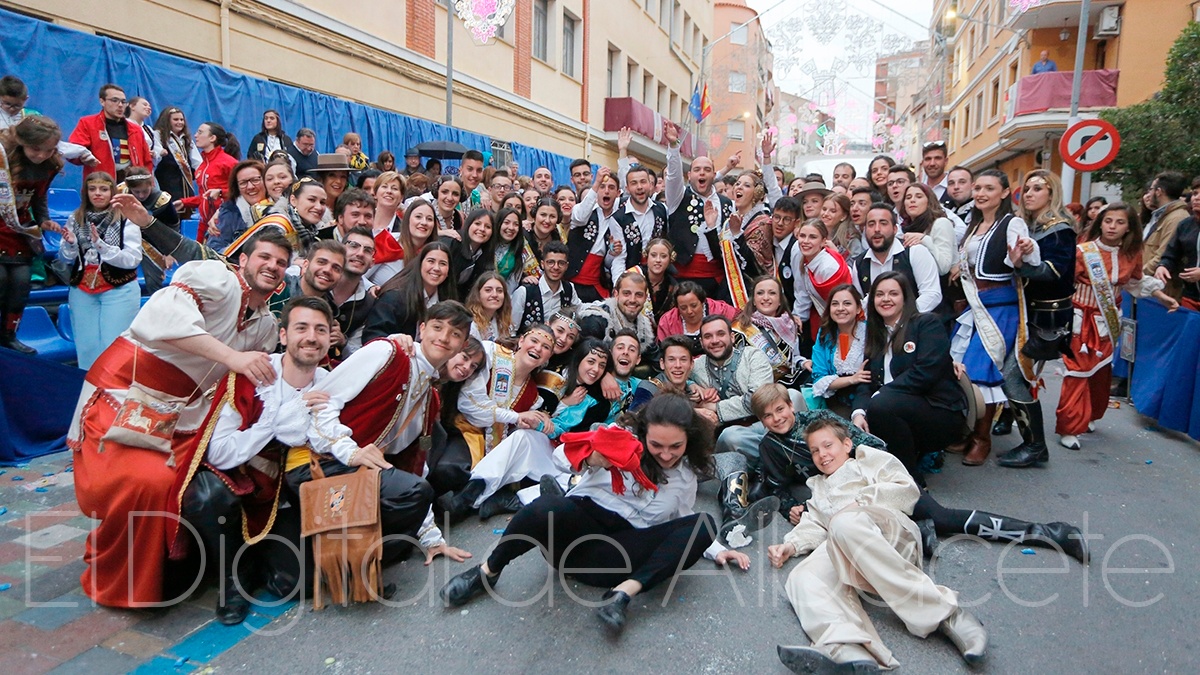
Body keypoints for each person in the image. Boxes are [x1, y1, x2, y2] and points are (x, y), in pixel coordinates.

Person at [70, 229, 289, 608]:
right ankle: (123, 579)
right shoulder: (215, 278)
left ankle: (171, 569)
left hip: (185, 414)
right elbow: (160, 322)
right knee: (145, 480)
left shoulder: (267, 325)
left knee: (186, 483)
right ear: (244, 261)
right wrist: (232, 357)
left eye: (280, 263)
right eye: (264, 257)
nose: (271, 266)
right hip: (128, 389)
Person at [440, 394, 751, 633]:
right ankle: (485, 573)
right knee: (548, 507)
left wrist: (718, 550)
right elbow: (560, 456)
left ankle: (621, 596)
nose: (666, 455)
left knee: (704, 524)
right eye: (657, 445)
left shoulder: (684, 476)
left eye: (676, 447)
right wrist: (591, 459)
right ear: (643, 434)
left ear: (688, 441)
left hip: (619, 558)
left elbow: (682, 520)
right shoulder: (618, 437)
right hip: (574, 538)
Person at [769, 417, 988, 672]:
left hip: (889, 534)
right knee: (801, 577)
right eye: (815, 450)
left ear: (847, 444)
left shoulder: (866, 460)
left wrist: (859, 503)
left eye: (828, 445)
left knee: (843, 524)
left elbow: (906, 489)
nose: (822, 454)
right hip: (849, 548)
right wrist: (791, 545)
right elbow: (816, 524)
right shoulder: (817, 487)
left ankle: (948, 615)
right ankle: (847, 645)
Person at [172, 296, 331, 624]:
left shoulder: (330, 384)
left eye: (320, 330)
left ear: (330, 338)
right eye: (301, 328)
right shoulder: (252, 374)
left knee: (296, 584)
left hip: (284, 498)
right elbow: (220, 452)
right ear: (284, 335)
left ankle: (260, 556)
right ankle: (233, 578)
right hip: (237, 483)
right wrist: (276, 421)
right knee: (207, 495)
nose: (311, 337)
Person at [300, 301, 473, 565]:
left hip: (364, 475)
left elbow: (414, 467)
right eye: (438, 327)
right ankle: (355, 562)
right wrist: (351, 452)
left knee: (413, 506)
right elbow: (322, 403)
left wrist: (431, 538)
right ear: (422, 328)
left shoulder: (430, 397)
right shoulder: (387, 352)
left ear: (461, 345)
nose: (444, 338)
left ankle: (360, 561)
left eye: (455, 334)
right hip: (323, 460)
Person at [1059, 204, 1177, 449]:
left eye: (1119, 222)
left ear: (1129, 228)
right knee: (1078, 370)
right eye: (1108, 220)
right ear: (1099, 223)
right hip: (1081, 318)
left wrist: (1161, 296)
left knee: (1100, 369)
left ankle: (1089, 413)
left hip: (1110, 318)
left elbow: (1136, 282)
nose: (1112, 226)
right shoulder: (1082, 252)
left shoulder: (1131, 254)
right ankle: (1070, 426)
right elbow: (1062, 281)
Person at [950, 170, 1041, 466]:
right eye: (977, 188)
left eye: (989, 188)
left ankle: (982, 438)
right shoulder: (973, 223)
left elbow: (1027, 257)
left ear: (1004, 193)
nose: (980, 193)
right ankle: (967, 430)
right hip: (974, 306)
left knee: (981, 371)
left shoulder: (1012, 223)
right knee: (959, 365)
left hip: (999, 308)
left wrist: (1022, 255)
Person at [993, 169, 1077, 469]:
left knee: (1014, 376)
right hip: (1026, 313)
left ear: (1051, 194)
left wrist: (1020, 266)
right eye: (1026, 188)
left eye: (1037, 188)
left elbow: (1052, 273)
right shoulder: (1029, 226)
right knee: (1016, 375)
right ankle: (1022, 434)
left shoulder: (1060, 229)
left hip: (1046, 319)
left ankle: (1035, 445)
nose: (1029, 193)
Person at [852, 272, 968, 480]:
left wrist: (881, 394)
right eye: (879, 294)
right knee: (866, 415)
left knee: (881, 406)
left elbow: (926, 372)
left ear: (905, 297)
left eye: (893, 293)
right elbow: (865, 381)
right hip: (892, 409)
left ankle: (911, 482)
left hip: (938, 411)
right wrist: (859, 412)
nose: (885, 299)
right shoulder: (876, 335)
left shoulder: (927, 324)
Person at [433, 325, 555, 506]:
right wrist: (516, 416)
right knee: (448, 471)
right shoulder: (493, 354)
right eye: (534, 341)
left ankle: (465, 500)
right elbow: (469, 404)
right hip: (465, 431)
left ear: (548, 357)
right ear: (521, 341)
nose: (538, 348)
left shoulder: (532, 395)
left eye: (545, 347)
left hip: (497, 447)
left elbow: (514, 431)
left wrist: (533, 422)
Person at [55, 171, 143, 369]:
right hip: (82, 289)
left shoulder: (126, 219)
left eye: (103, 189)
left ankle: (114, 395)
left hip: (118, 289)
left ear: (112, 192)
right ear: (85, 192)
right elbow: (65, 258)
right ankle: (88, 392)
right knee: (86, 347)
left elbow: (132, 259)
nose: (97, 194)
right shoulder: (76, 218)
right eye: (92, 189)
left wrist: (101, 246)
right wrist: (70, 245)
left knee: (114, 347)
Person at [0, 115, 63, 354]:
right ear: (21, 141)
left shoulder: (50, 164)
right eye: (36, 149)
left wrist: (44, 220)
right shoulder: (2, 158)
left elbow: (39, 196)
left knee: (20, 287)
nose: (42, 155)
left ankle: (9, 336)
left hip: (20, 232)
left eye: (48, 150)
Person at [663, 121, 742, 301]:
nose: (702, 174)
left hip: (715, 278)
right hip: (682, 277)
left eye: (707, 170)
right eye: (697, 170)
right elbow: (674, 176)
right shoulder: (678, 197)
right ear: (689, 175)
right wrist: (674, 145)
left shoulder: (727, 204)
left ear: (714, 175)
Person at [853, 204, 942, 315]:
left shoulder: (915, 252)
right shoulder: (860, 263)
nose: (876, 229)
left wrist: (901, 318)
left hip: (917, 325)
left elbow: (932, 294)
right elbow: (860, 303)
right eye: (871, 224)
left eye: (883, 223)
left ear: (895, 229)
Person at [363, 240, 457, 341]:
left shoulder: (448, 302)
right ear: (420, 264)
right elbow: (372, 334)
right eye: (431, 261)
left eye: (443, 264)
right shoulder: (394, 298)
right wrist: (396, 340)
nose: (436, 268)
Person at [734, 276, 806, 386]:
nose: (766, 298)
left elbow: (793, 359)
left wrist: (803, 363)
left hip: (785, 386)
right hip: (755, 388)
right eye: (760, 293)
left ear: (780, 301)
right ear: (753, 300)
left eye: (772, 293)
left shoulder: (790, 325)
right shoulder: (741, 329)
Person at [69, 83, 152, 181]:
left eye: (123, 101)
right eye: (114, 100)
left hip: (132, 186)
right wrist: (82, 157)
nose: (120, 105)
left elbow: (147, 161)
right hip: (101, 185)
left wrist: (148, 184)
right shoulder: (88, 123)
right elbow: (74, 151)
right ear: (102, 101)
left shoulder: (136, 129)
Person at [810, 284, 869, 417]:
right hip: (835, 400)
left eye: (847, 303)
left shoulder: (870, 332)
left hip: (866, 397)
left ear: (858, 308)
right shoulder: (824, 334)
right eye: (835, 304)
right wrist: (852, 379)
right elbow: (819, 377)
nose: (840, 309)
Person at [119, 166, 180, 294]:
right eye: (136, 192)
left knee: (153, 280)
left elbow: (172, 226)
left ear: (152, 184)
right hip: (125, 240)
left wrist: (169, 252)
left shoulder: (161, 200)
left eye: (145, 191)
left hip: (154, 242)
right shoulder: (120, 194)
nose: (141, 195)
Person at [566, 166, 623, 301]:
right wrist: (596, 183)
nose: (606, 191)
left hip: (595, 284)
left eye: (611, 187)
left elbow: (608, 262)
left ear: (618, 193)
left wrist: (613, 252)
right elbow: (579, 217)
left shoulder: (619, 219)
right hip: (571, 280)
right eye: (602, 187)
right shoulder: (584, 210)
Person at [175, 122, 237, 242]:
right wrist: (184, 202)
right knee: (200, 257)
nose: (195, 135)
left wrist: (220, 192)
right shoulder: (202, 167)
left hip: (223, 222)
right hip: (204, 223)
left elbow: (240, 193)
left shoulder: (229, 163)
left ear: (212, 138)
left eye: (200, 132)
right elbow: (205, 197)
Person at [577, 270, 657, 361]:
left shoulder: (644, 327)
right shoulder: (596, 320)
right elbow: (584, 362)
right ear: (616, 294)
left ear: (645, 298)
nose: (632, 300)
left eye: (639, 295)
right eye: (626, 293)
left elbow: (657, 359)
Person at [796, 218, 854, 340]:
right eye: (802, 236)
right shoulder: (807, 260)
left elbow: (840, 306)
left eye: (812, 237)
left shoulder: (828, 267)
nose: (805, 241)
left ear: (823, 241)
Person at [328, 226, 377, 360]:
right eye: (354, 246)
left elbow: (359, 356)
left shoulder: (369, 304)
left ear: (372, 262)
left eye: (367, 250)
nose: (360, 253)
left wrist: (343, 342)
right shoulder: (319, 281)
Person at [656, 280, 738, 355]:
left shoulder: (721, 310)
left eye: (694, 306)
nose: (689, 311)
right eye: (683, 308)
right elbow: (664, 352)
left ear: (702, 302)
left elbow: (741, 323)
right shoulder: (667, 321)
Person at [512, 240, 578, 331]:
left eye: (561, 263)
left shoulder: (569, 289)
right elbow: (511, 330)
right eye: (551, 262)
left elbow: (581, 309)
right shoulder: (524, 292)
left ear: (566, 266)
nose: (556, 267)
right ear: (542, 264)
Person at [207, 159, 272, 251]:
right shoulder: (229, 213)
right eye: (243, 183)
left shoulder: (281, 207)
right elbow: (214, 250)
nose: (250, 187)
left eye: (255, 180)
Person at [1155, 190, 1200, 310]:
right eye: (1195, 194)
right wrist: (1163, 265)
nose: (1197, 198)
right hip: (1190, 296)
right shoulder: (1185, 225)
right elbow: (1171, 253)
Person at [1142, 170, 1189, 280]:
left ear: (1159, 192)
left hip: (1160, 287)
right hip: (1148, 284)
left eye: (1151, 189)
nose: (1149, 193)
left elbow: (1163, 255)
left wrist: (1136, 275)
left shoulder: (1176, 218)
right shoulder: (1161, 215)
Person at [151, 107, 201, 210]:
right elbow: (156, 154)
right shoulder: (158, 135)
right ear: (166, 121)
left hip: (185, 183)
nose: (180, 122)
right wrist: (160, 153)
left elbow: (197, 161)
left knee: (187, 211)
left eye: (181, 120)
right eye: (176, 119)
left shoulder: (186, 139)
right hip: (166, 181)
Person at [465, 272, 515, 341]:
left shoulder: (505, 323)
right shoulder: (469, 324)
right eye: (488, 290)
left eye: (499, 291)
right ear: (478, 294)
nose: (494, 295)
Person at [640, 237, 678, 321]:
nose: (658, 260)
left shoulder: (673, 287)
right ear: (646, 256)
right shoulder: (633, 275)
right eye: (653, 255)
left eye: (663, 256)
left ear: (670, 259)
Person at [820, 192, 858, 260]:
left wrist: (837, 253)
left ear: (843, 216)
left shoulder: (851, 239)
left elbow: (855, 268)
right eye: (824, 209)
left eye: (833, 211)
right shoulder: (815, 233)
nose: (825, 214)